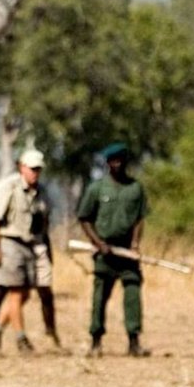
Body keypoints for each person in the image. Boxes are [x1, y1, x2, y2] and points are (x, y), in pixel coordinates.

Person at [77, 143, 150, 357]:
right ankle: (96, 340)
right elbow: (84, 218)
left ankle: (134, 341)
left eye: (120, 160)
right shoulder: (97, 188)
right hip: (104, 254)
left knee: (133, 292)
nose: (116, 165)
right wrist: (98, 243)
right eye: (112, 161)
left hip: (127, 253)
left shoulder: (135, 188)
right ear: (108, 163)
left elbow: (139, 218)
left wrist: (135, 244)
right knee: (100, 297)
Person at [0, 149, 52, 354]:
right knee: (14, 292)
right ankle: (21, 338)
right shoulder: (9, 187)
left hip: (31, 244)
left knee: (25, 294)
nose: (35, 173)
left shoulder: (42, 192)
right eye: (32, 169)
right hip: (10, 242)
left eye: (38, 169)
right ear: (22, 167)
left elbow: (43, 223)